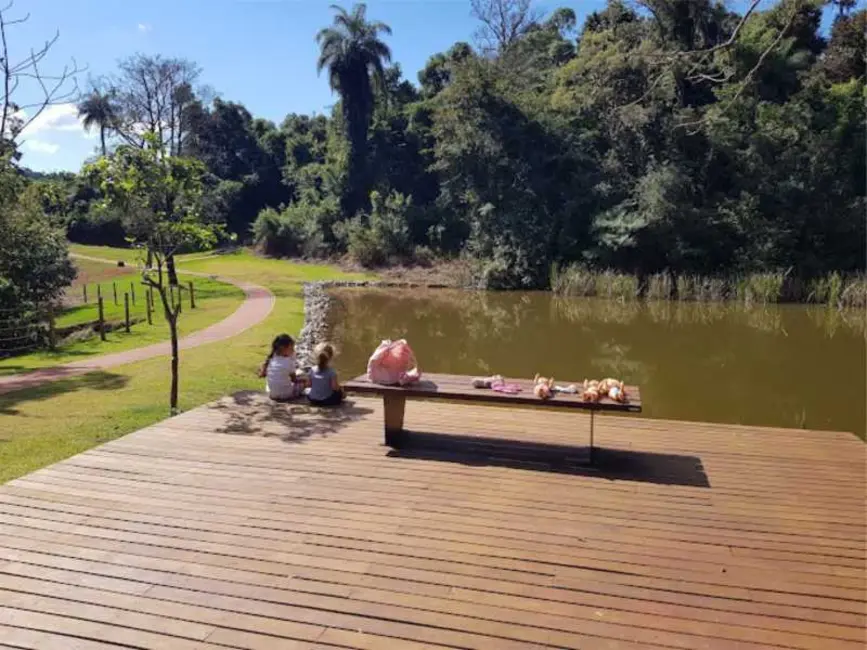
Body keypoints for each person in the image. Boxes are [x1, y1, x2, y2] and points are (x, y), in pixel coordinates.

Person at [259, 334, 301, 401]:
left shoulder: (272, 359)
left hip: (272, 394)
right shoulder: (288, 361)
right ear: (284, 348)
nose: (293, 351)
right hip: (285, 395)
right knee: (303, 383)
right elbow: (294, 380)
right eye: (291, 348)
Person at [307, 342, 345, 407]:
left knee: (309, 391)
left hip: (313, 399)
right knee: (339, 393)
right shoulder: (332, 372)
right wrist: (340, 389)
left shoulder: (312, 369)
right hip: (326, 401)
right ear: (330, 357)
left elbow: (309, 385)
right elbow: (334, 387)